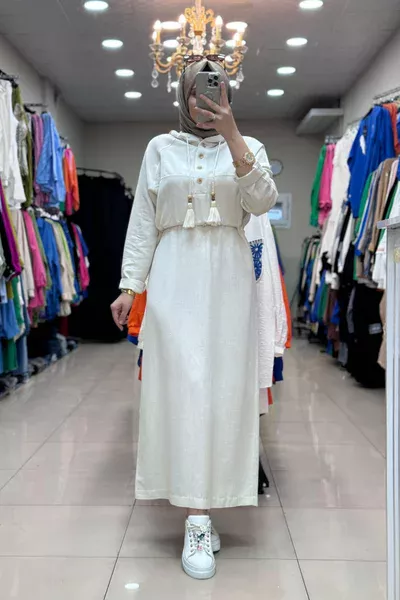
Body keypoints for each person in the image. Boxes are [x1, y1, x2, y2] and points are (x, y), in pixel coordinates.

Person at [111, 57, 278, 580]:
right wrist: (130, 285)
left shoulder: (249, 146)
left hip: (229, 279)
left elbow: (263, 202)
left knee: (223, 393)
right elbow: (143, 220)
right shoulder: (159, 149)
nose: (205, 101)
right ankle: (195, 517)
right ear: (183, 97)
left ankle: (206, 507)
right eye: (197, 92)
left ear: (228, 96)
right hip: (173, 278)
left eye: (216, 91)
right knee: (180, 392)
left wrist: (233, 136)